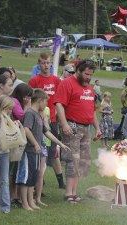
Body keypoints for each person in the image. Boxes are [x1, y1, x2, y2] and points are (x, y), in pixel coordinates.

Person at [54, 60, 101, 203]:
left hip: (87, 127)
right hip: (72, 126)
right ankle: (69, 193)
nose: (88, 77)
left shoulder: (89, 88)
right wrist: (64, 124)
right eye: (86, 74)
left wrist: (97, 128)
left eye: (91, 75)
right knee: (72, 159)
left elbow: (92, 110)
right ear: (78, 71)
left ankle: (74, 192)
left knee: (82, 162)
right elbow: (59, 105)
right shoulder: (67, 83)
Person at [16, 89, 70, 211]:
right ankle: (25, 203)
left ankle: (31, 201)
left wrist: (60, 143)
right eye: (45, 101)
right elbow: (26, 129)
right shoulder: (30, 113)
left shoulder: (39, 115)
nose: (46, 104)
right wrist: (35, 144)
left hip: (36, 151)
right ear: (40, 101)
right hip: (29, 150)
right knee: (26, 178)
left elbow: (46, 132)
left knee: (33, 178)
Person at [29, 52, 66, 189]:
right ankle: (40, 182)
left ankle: (61, 181)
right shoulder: (34, 81)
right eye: (43, 63)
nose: (46, 65)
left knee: (54, 152)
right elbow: (30, 101)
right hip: (38, 120)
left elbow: (61, 101)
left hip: (53, 120)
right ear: (39, 64)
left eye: (48, 63)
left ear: (51, 63)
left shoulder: (56, 81)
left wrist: (61, 119)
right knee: (39, 151)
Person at [9, 83, 33, 206]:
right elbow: (22, 116)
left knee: (15, 168)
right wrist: (27, 106)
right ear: (22, 95)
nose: (28, 99)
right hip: (12, 139)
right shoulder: (14, 101)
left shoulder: (19, 102)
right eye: (27, 96)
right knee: (13, 169)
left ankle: (15, 195)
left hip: (16, 138)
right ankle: (12, 195)